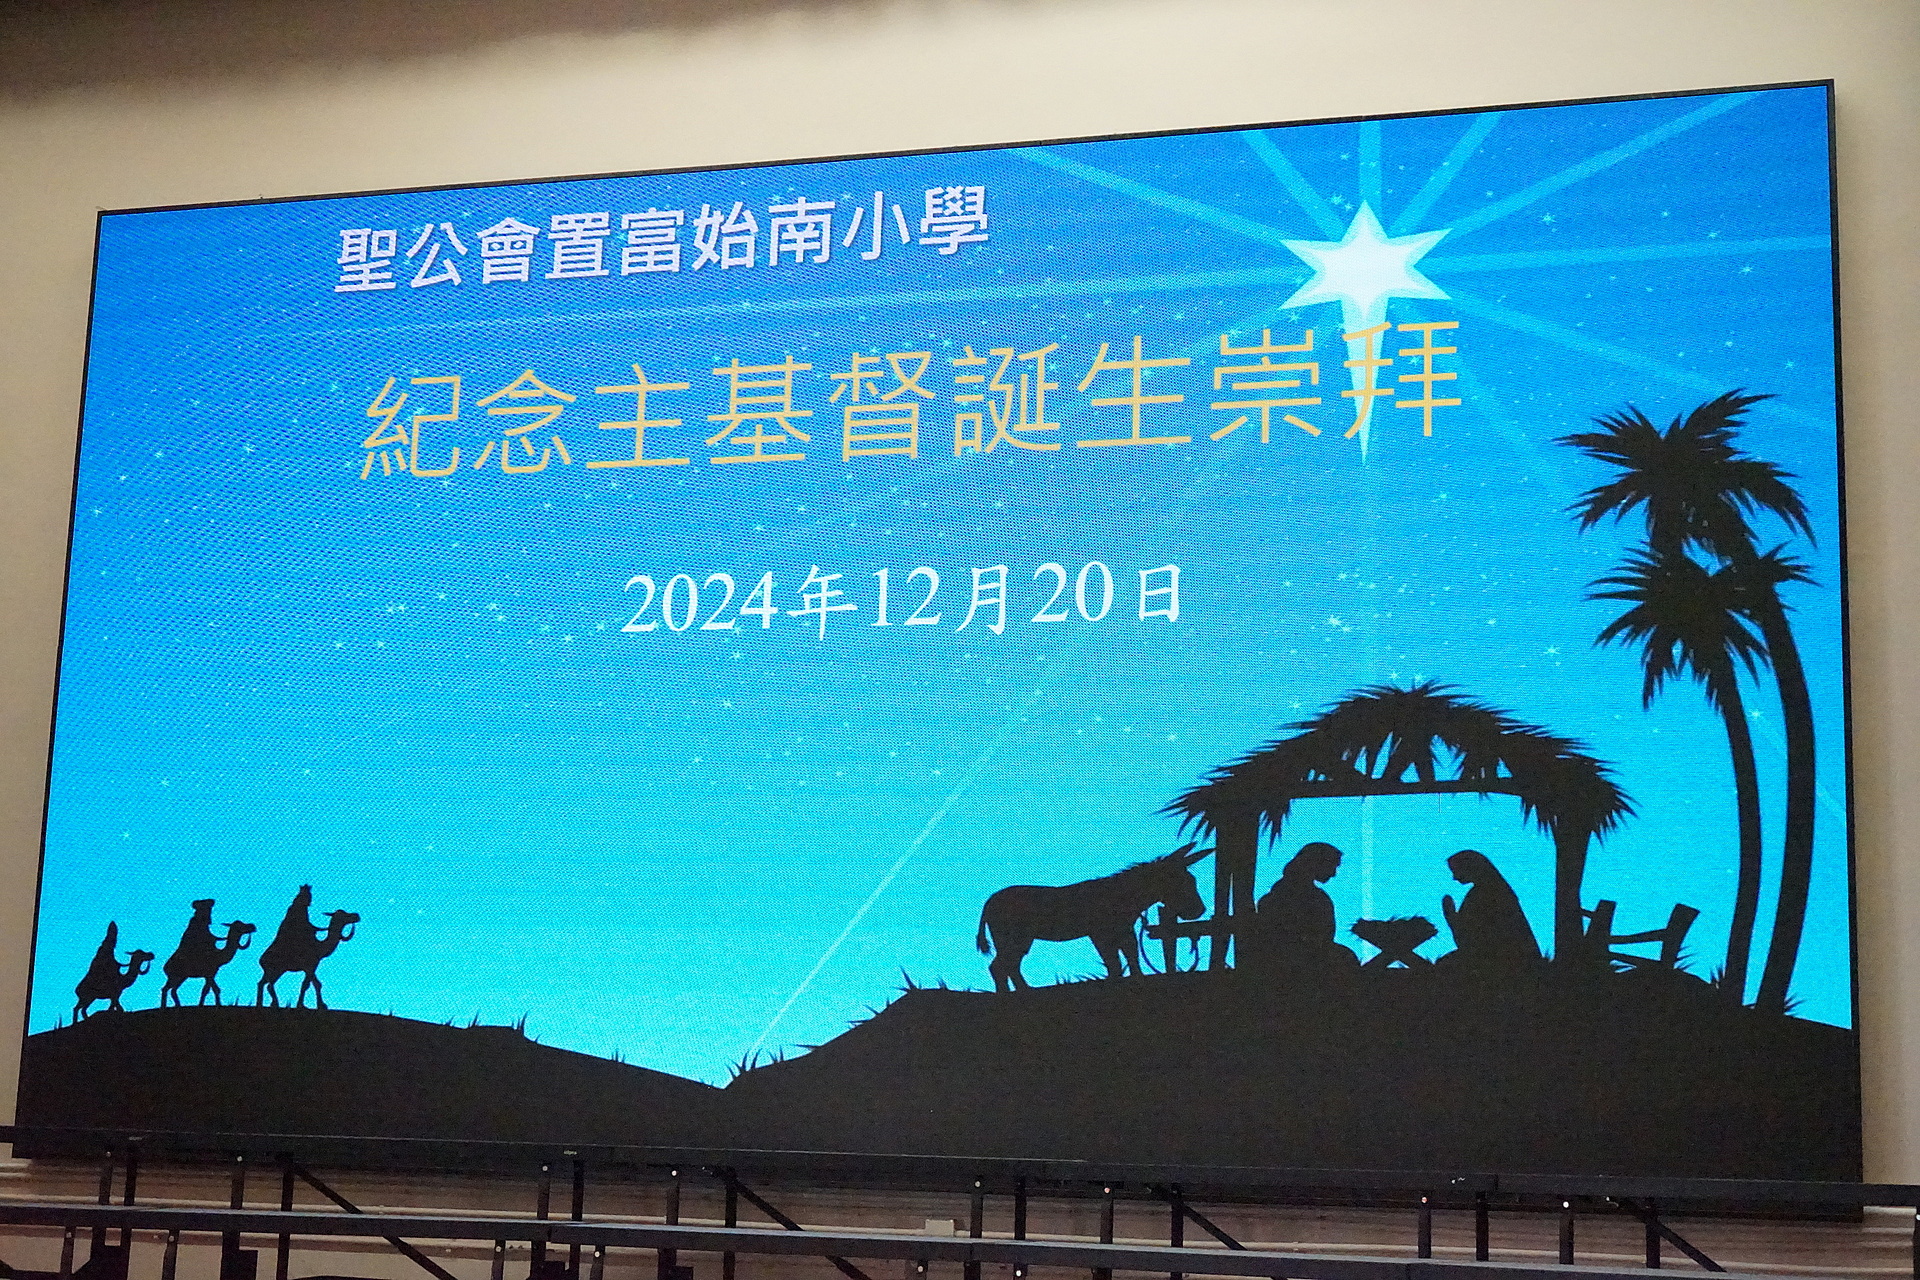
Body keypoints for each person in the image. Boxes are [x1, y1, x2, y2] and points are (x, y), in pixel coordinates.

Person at [1240, 841, 1358, 976]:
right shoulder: (1307, 898)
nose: (1333, 874)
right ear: (1317, 863)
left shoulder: (1311, 897)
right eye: (1332, 866)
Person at [1438, 849, 1541, 970]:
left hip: (1501, 961)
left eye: (1456, 871)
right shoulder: (1490, 891)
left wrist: (1451, 917)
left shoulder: (1487, 894)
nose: (1454, 877)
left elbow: (1474, 938)